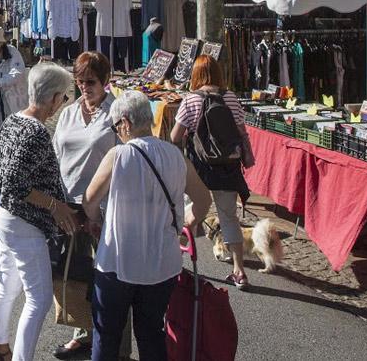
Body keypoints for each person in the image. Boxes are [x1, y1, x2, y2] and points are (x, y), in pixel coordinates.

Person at [83, 91, 211, 361]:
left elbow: (90, 200)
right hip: (161, 264)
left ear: (126, 122)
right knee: (152, 334)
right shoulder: (176, 156)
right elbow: (202, 199)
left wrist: (95, 220)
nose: (117, 132)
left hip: (118, 262)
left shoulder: (118, 155)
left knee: (106, 335)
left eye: (116, 126)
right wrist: (188, 219)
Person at [0, 63, 79, 361]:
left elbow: (5, 176)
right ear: (52, 97)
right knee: (38, 299)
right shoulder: (37, 132)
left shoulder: (14, 120)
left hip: (5, 216)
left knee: (8, 283)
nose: (62, 103)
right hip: (23, 223)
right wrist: (55, 205)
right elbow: (15, 181)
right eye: (63, 97)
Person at [52, 52, 116, 360]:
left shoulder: (116, 113)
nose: (84, 87)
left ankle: (110, 340)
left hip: (103, 207)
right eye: (79, 81)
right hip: (68, 205)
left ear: (106, 80)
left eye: (90, 81)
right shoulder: (68, 112)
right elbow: (56, 154)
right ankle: (82, 331)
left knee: (107, 277)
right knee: (74, 273)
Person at [169, 54, 254, 289]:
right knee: (229, 218)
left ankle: (174, 261)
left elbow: (175, 136)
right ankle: (239, 272)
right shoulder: (231, 98)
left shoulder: (190, 100)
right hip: (227, 168)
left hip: (199, 169)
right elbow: (241, 131)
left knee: (189, 216)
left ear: (195, 75)